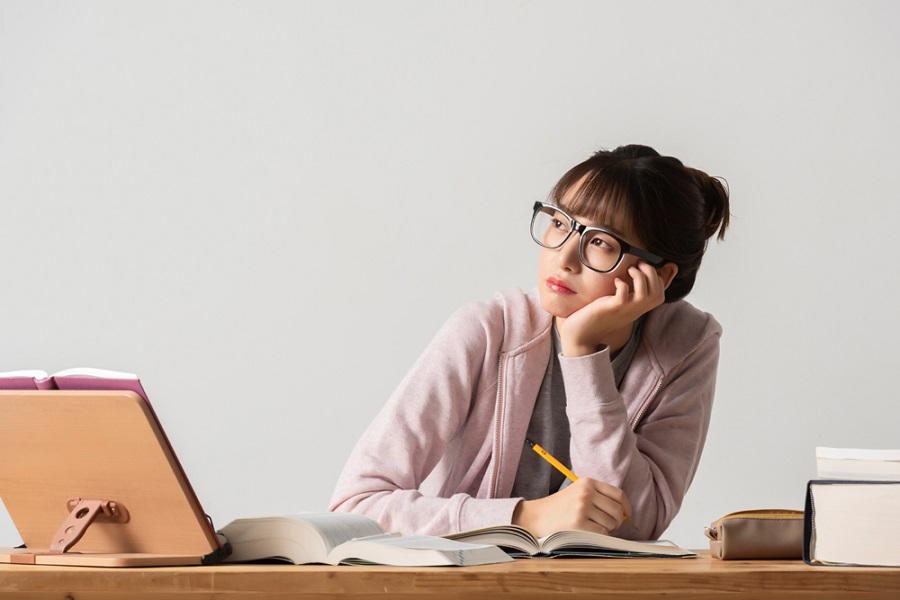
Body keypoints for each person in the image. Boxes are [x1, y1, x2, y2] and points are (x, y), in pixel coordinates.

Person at [329, 144, 730, 540]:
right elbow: (357, 505)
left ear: (658, 277)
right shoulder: (488, 331)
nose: (564, 258)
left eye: (601, 242)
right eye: (560, 223)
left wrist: (582, 353)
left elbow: (636, 524)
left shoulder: (686, 346)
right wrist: (524, 517)